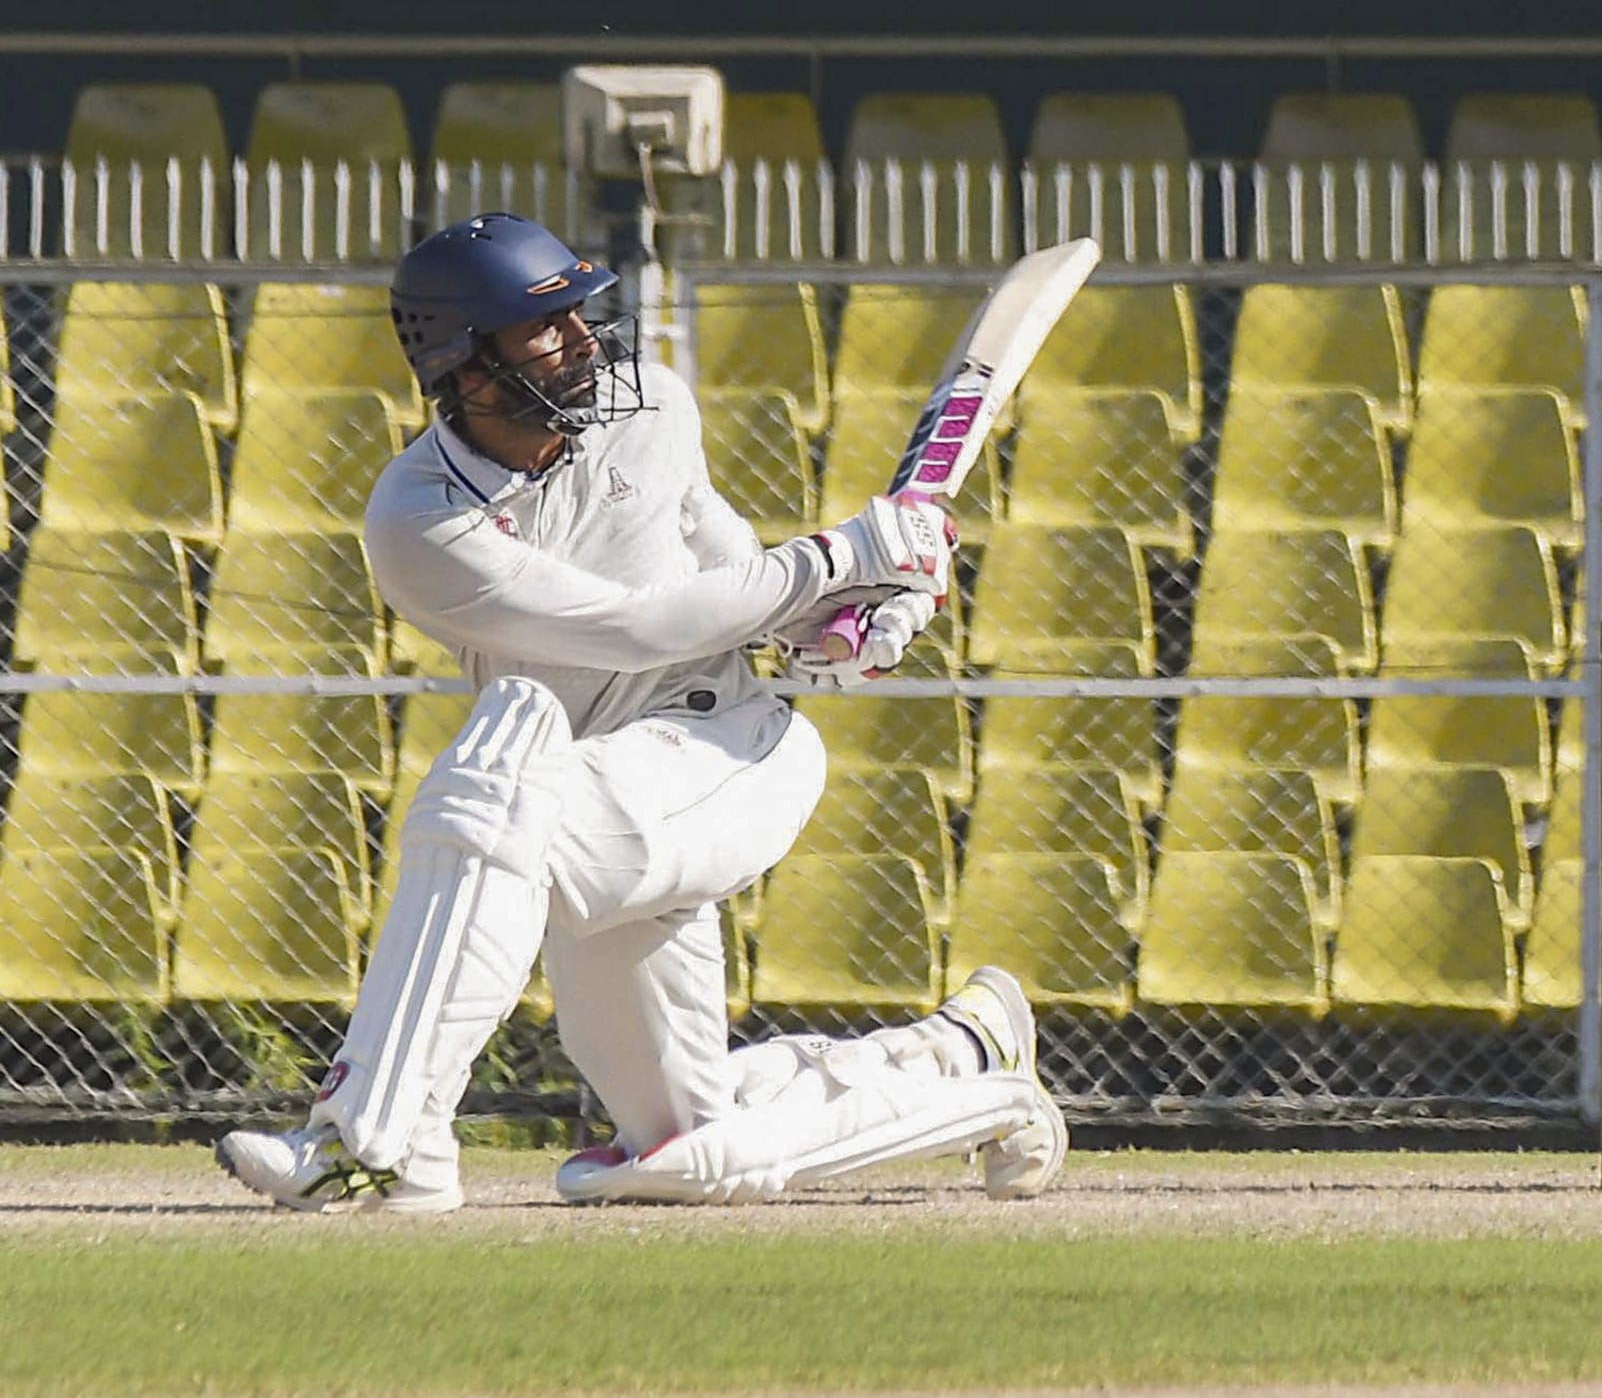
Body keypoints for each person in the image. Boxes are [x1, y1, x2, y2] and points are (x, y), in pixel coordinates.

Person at [215, 212, 1064, 1211]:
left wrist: (847, 613)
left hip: (726, 751)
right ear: (466, 363)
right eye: (548, 326)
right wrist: (844, 559)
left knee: (492, 778)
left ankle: (373, 1140)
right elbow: (637, 627)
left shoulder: (654, 406)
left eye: (581, 313)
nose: (584, 340)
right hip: (598, 787)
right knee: (679, 1149)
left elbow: (735, 574)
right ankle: (966, 1061)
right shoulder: (418, 522)